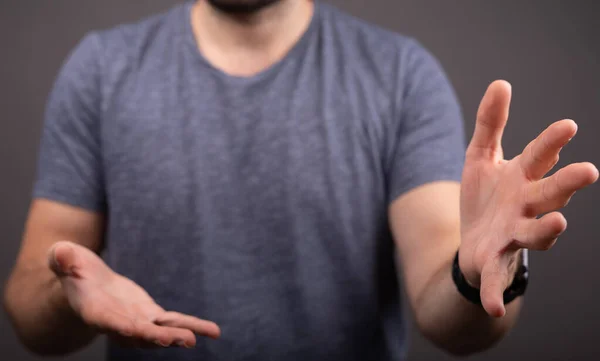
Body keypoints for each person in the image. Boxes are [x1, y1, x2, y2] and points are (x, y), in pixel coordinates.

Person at [3, 0, 597, 360]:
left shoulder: (400, 76)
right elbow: (29, 308)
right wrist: (68, 296)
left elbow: (450, 318)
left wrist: (479, 270)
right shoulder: (101, 71)